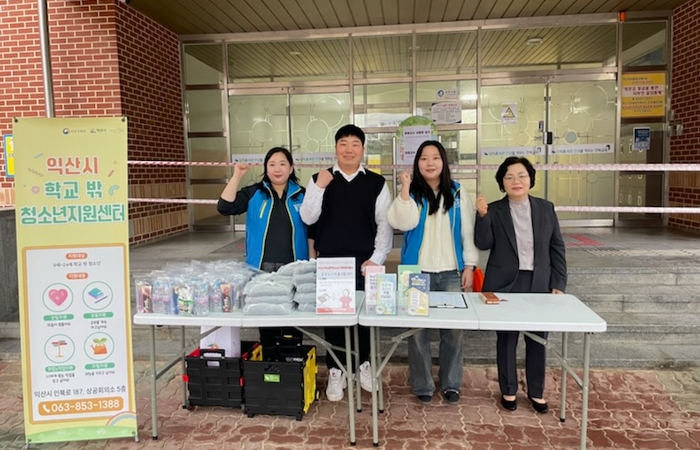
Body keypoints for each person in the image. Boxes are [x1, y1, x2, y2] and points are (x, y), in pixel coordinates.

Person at [299, 124, 393, 402]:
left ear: (363, 149)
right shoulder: (319, 179)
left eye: (355, 144)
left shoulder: (376, 183)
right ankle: (336, 369)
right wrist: (319, 187)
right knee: (333, 319)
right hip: (330, 262)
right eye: (343, 143)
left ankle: (364, 365)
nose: (349, 149)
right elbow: (307, 217)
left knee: (364, 318)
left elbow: (384, 224)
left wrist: (376, 258)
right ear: (335, 148)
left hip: (365, 261)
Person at [387, 140, 479, 406]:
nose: (430, 163)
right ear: (417, 163)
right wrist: (405, 189)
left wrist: (470, 265)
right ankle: (423, 384)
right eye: (424, 158)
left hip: (451, 272)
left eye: (435, 157)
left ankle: (451, 383)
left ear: (443, 162)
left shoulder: (458, 192)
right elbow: (402, 222)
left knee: (453, 332)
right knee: (417, 333)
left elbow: (468, 231)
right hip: (416, 273)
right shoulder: (412, 193)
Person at [474, 156, 567, 414]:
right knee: (506, 339)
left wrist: (558, 282)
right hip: (505, 284)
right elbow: (483, 243)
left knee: (537, 338)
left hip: (539, 282)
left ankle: (536, 391)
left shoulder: (545, 208)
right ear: (502, 182)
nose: (516, 181)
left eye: (522, 175)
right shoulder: (493, 210)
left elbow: (557, 247)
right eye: (509, 177)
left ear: (530, 179)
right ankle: (509, 389)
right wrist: (482, 216)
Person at [217, 147, 313, 350]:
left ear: (291, 168)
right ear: (266, 168)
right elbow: (224, 207)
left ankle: (292, 361)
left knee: (293, 322)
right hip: (261, 268)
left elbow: (314, 229)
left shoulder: (302, 195)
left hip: (294, 268)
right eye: (272, 164)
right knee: (267, 321)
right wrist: (237, 176)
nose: (277, 169)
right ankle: (270, 362)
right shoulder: (254, 193)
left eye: (282, 164)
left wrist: (312, 262)